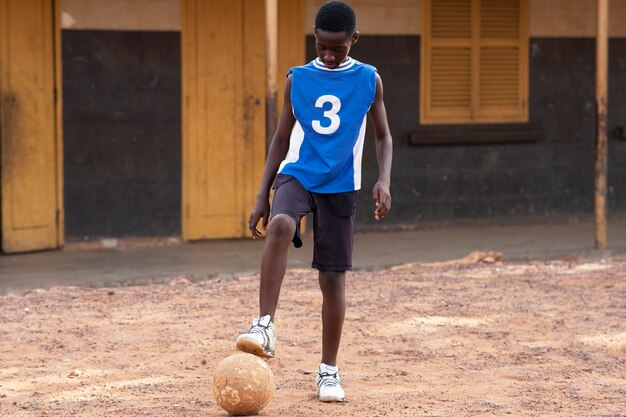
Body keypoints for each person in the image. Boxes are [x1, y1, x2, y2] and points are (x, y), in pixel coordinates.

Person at [236, 0, 392, 403]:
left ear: (353, 40)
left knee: (332, 279)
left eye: (337, 48)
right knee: (282, 225)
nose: (327, 54)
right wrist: (261, 193)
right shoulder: (298, 78)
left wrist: (384, 180)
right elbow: (281, 137)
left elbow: (383, 136)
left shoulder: (369, 79)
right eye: (321, 45)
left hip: (341, 184)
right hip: (298, 173)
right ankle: (264, 324)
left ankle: (328, 371)